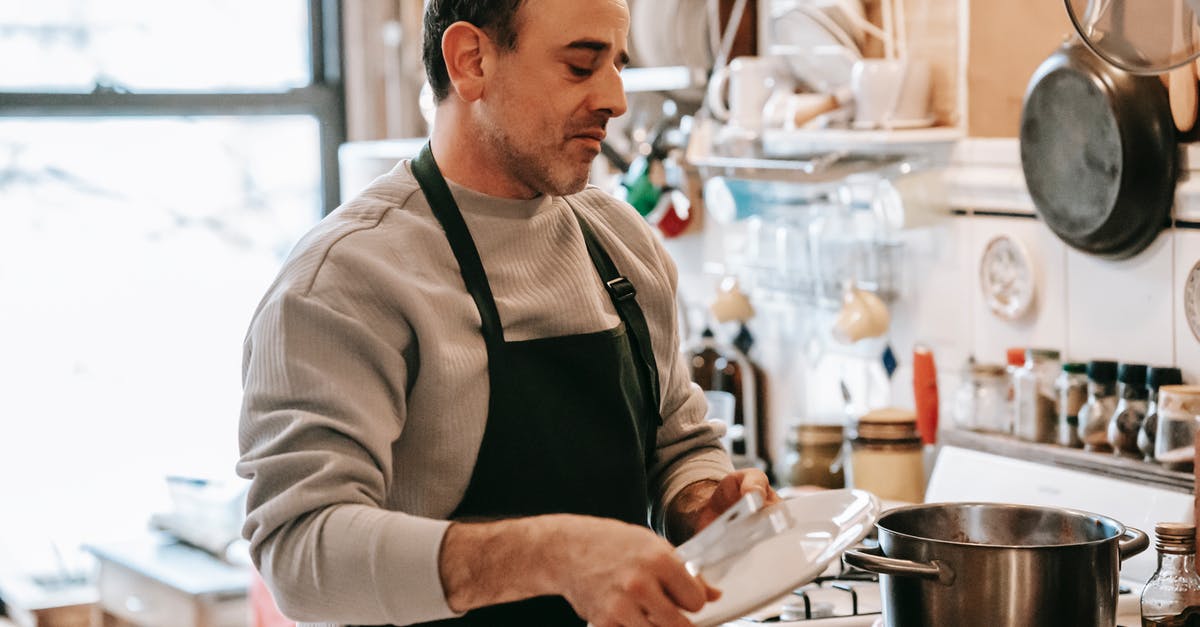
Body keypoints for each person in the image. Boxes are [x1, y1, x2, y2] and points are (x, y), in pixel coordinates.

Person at [236, 0, 778, 625]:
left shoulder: (621, 240)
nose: (615, 99)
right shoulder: (346, 279)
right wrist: (552, 554)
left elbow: (679, 441)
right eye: (581, 66)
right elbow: (301, 555)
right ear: (471, 62)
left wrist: (703, 501)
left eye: (618, 67)